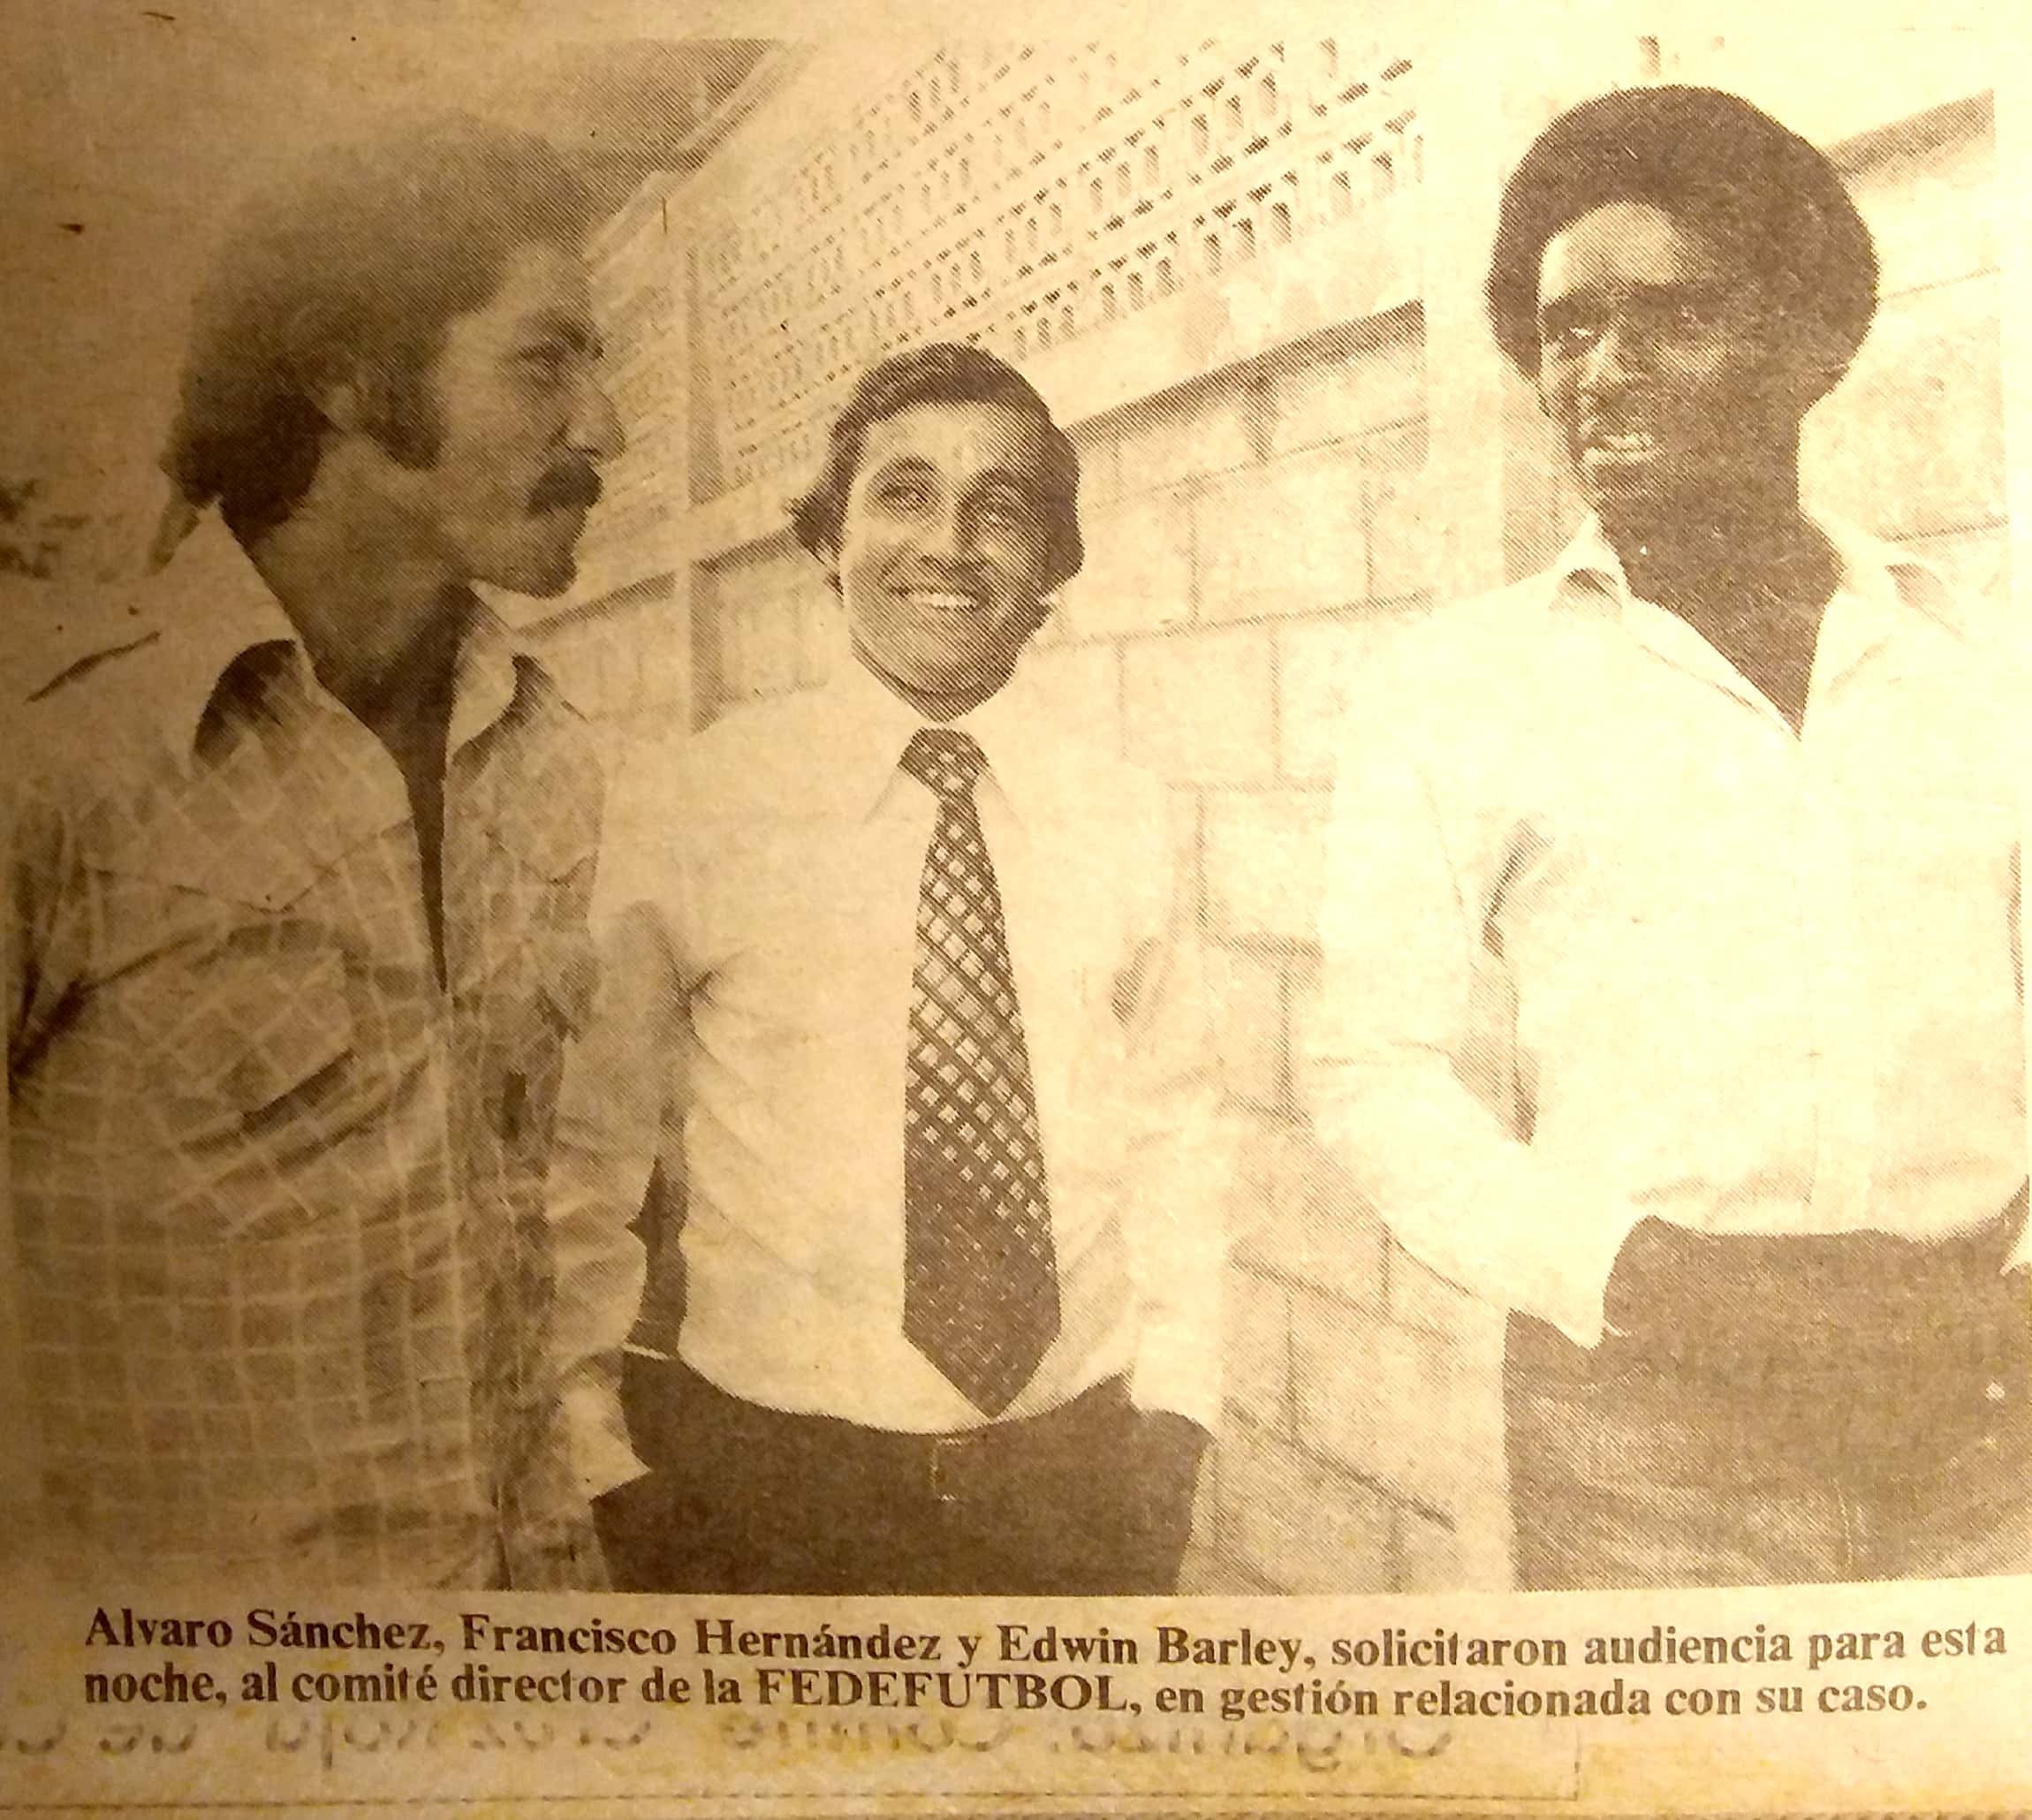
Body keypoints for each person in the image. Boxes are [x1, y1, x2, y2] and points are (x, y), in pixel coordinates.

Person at [1305, 85, 2029, 1589]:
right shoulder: (1458, 688)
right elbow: (1369, 1071)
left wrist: (2011, 1297)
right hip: (1649, 1447)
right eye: (1568, 331)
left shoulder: (1981, 664)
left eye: (1672, 317)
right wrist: (1633, 1276)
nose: (1603, 376)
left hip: (1982, 1420)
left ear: (1810, 347)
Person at [4, 116, 626, 1587]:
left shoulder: (548, 752)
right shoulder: (68, 759)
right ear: (351, 375)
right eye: (545, 362)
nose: (605, 431)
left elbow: (540, 1210)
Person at [555, 342, 1228, 1596]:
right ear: (828, 539)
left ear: (1050, 571)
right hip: (772, 1494)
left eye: (1003, 509)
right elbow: (587, 1157)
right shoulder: (700, 806)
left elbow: (1177, 1134)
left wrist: (1178, 1418)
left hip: (1069, 1489)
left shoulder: (1124, 815)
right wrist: (600, 1455)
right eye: (903, 494)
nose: (951, 544)